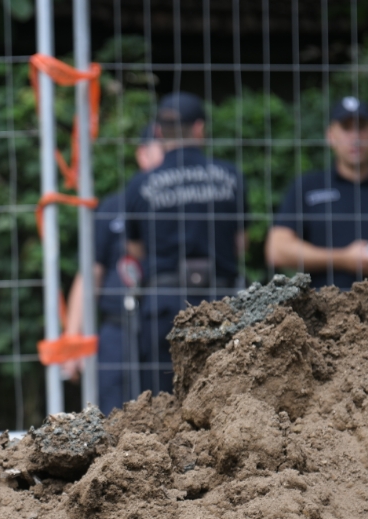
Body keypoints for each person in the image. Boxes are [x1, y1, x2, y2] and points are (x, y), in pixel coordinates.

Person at [93, 92, 246, 409]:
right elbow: (240, 243)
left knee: (165, 402)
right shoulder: (230, 177)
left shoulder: (141, 185)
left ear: (160, 132)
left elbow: (135, 251)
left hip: (164, 307)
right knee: (225, 397)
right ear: (200, 129)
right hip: (221, 301)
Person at [266, 96, 368, 289]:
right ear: (331, 135)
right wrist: (343, 258)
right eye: (346, 128)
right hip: (321, 310)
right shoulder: (307, 187)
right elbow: (276, 250)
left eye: (361, 127)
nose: (355, 137)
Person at [61, 124, 166, 386]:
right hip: (117, 330)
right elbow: (89, 274)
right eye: (161, 149)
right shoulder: (113, 206)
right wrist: (73, 338)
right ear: (142, 154)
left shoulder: (187, 206)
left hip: (168, 327)